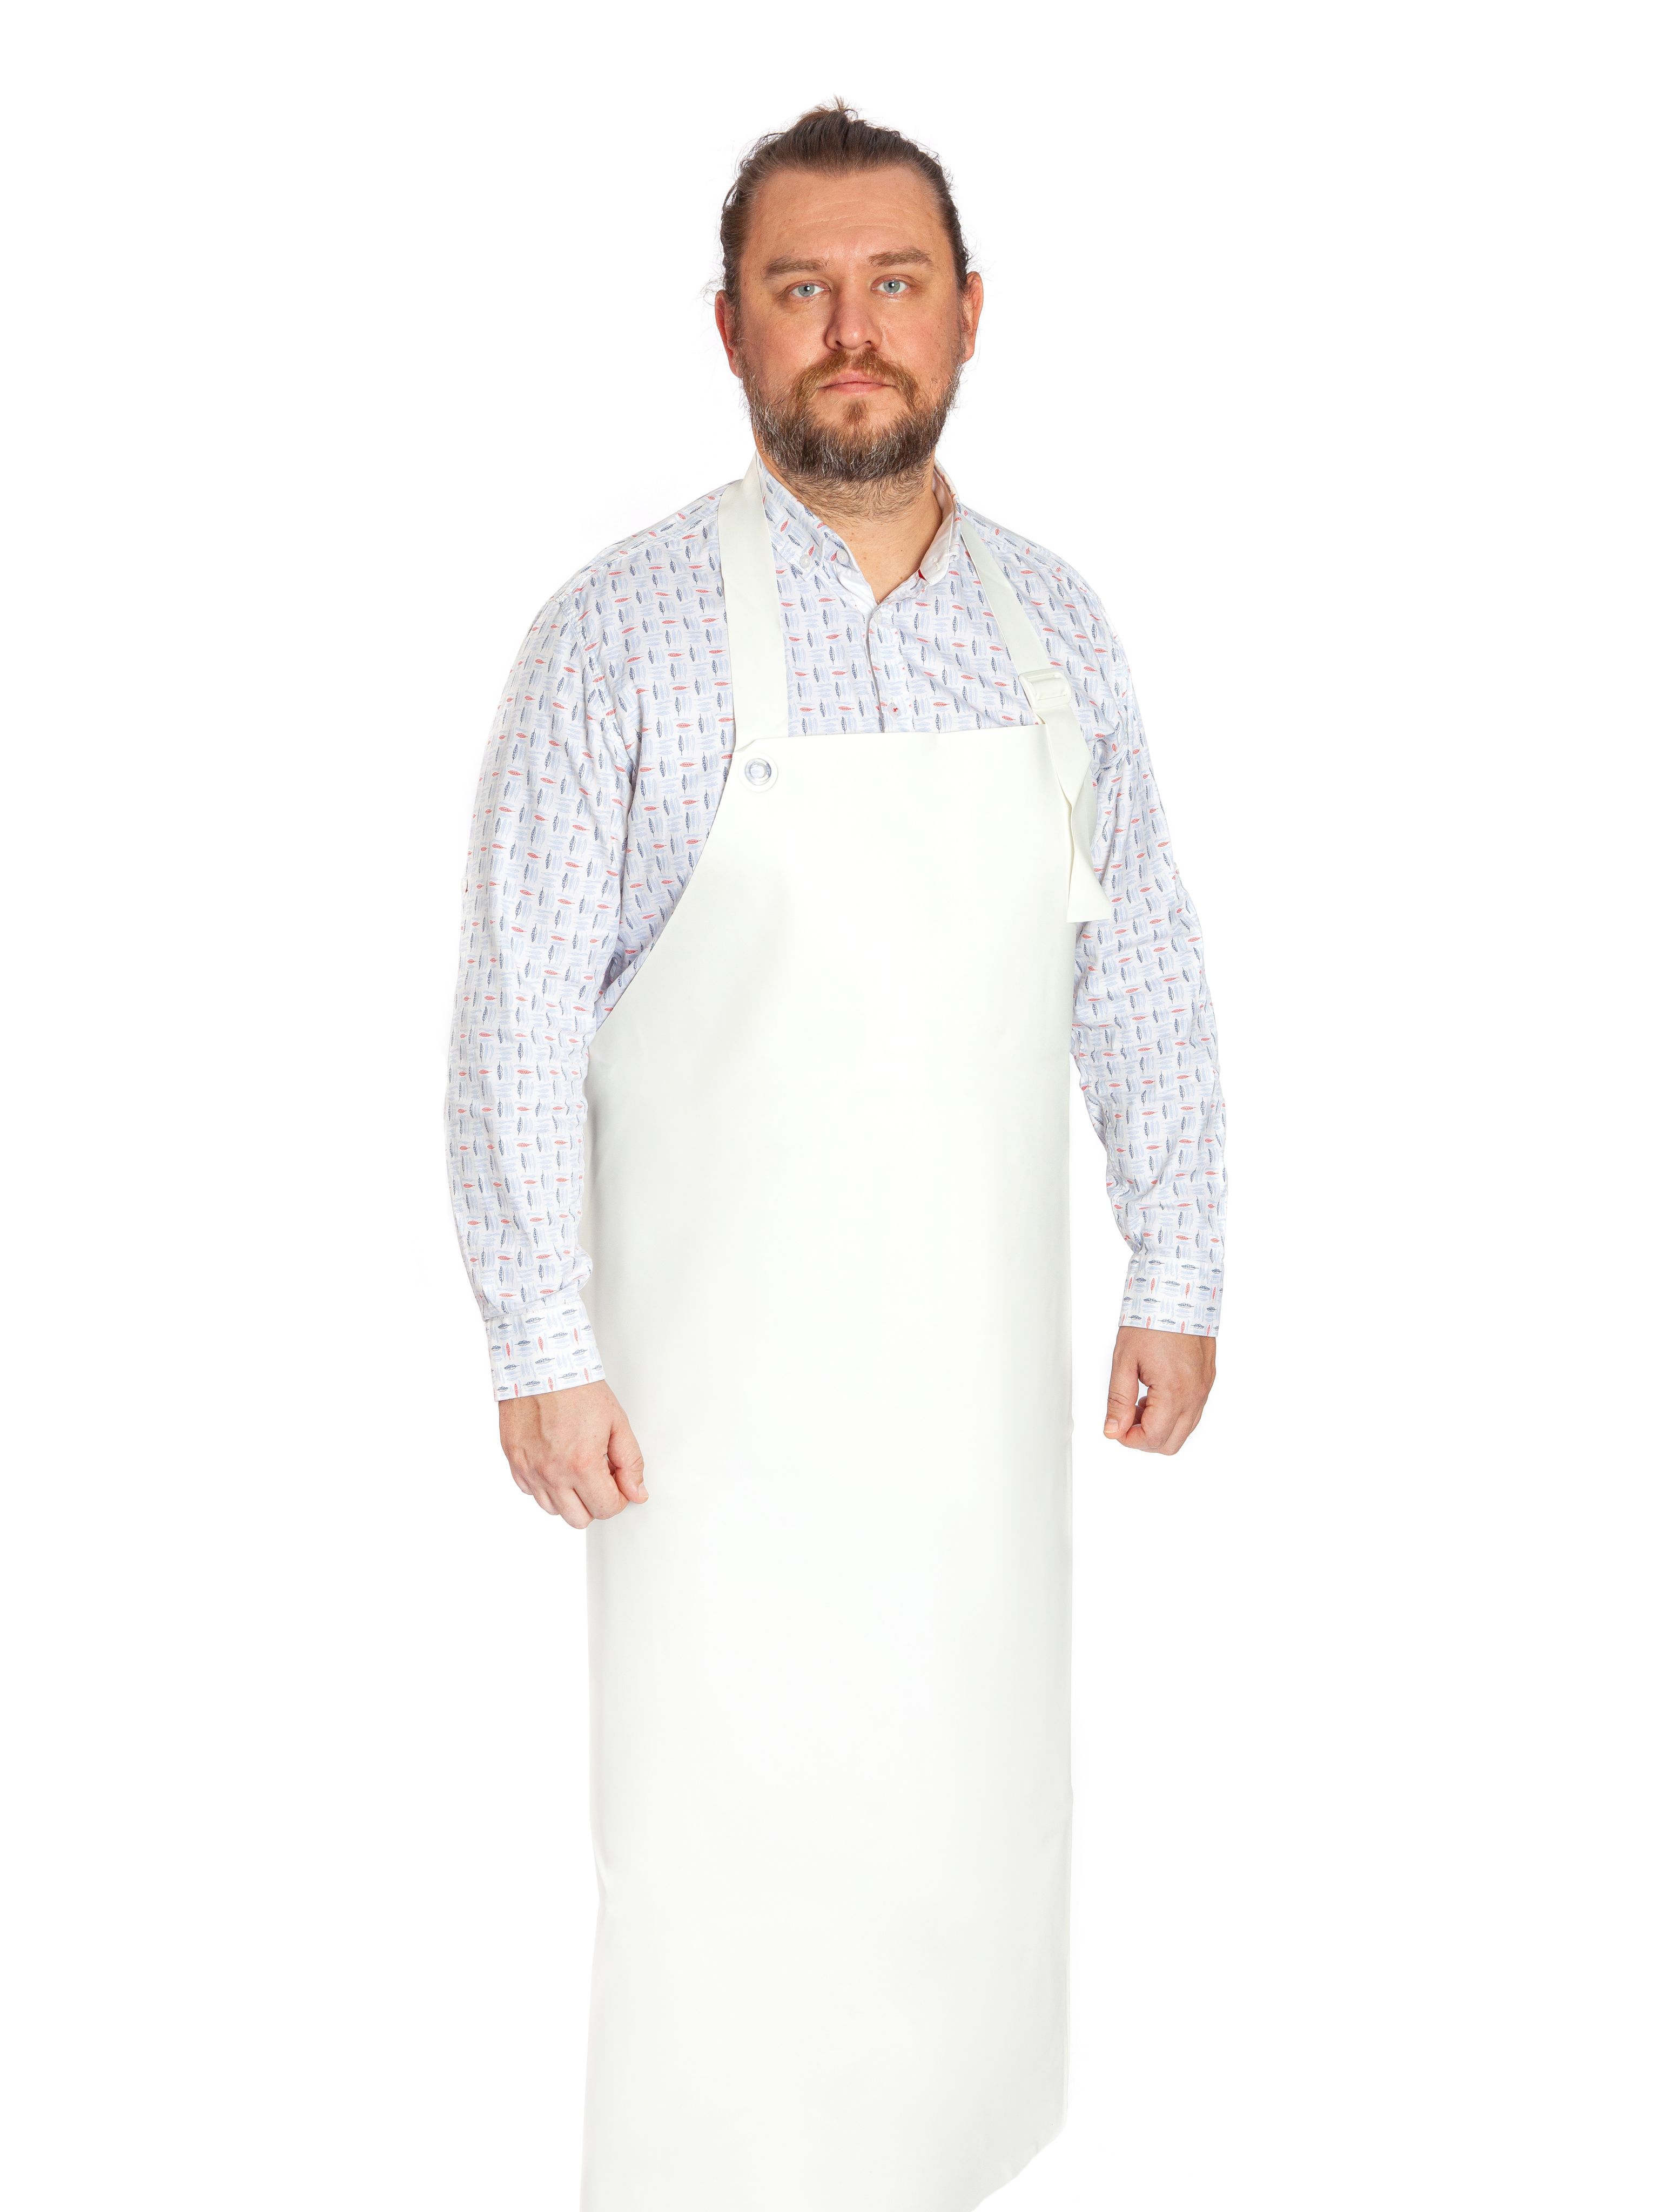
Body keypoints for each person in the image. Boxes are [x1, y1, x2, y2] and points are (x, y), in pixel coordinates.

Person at [446, 99, 1226, 2212]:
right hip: (703, 1424)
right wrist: (537, 1340)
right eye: (801, 288)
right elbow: (520, 1008)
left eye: (894, 283)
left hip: (974, 1422)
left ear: (970, 313)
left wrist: (1175, 1266)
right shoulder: (618, 632)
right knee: (719, 1868)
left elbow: (1140, 963)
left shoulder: (1058, 632)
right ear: (731, 328)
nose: (851, 329)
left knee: (966, 1848)